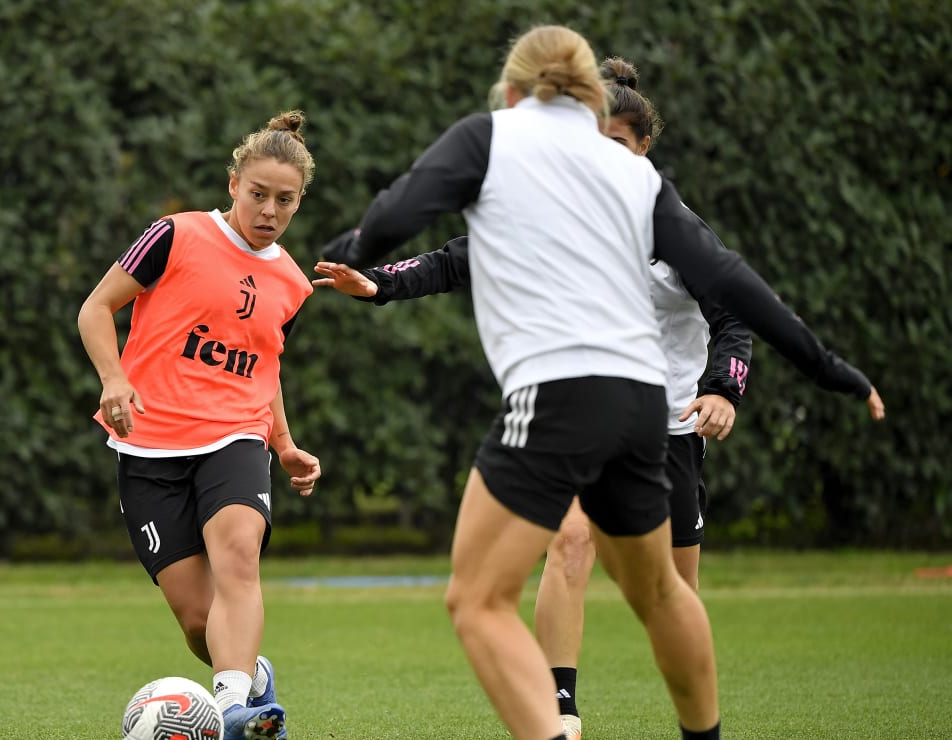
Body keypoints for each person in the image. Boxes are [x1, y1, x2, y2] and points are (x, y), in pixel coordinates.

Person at [320, 25, 884, 740]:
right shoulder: (632, 176)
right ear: (591, 97)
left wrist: (352, 250)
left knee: (476, 600)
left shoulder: (489, 137)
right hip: (646, 406)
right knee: (658, 591)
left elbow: (394, 217)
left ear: (514, 89)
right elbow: (735, 281)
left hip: (559, 394)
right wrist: (827, 367)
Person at [77, 110, 322, 740]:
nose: (269, 210)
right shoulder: (174, 236)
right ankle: (253, 682)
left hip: (235, 437)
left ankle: (235, 711)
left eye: (285, 200)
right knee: (198, 623)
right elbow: (95, 310)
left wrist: (285, 445)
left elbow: (262, 372)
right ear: (234, 182)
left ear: (299, 202)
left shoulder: (293, 283)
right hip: (149, 445)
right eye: (258, 194)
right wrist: (114, 379)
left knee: (239, 555)